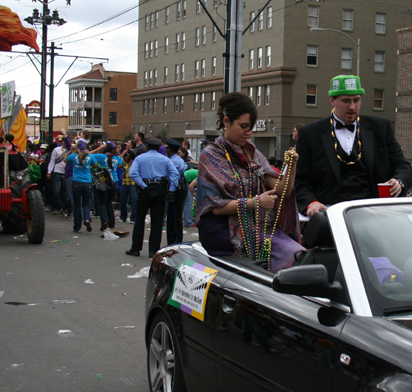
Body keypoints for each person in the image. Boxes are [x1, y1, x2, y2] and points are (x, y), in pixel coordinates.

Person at [196, 92, 303, 271]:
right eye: (243, 126)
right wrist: (255, 202)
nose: (249, 132)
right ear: (226, 122)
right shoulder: (211, 155)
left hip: (257, 227)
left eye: (251, 127)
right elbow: (214, 207)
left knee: (299, 255)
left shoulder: (253, 154)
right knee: (289, 256)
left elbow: (282, 191)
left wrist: (291, 165)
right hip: (223, 231)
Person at [295, 75, 412, 216]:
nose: (352, 107)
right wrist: (311, 203)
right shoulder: (309, 134)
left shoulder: (381, 127)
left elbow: (403, 166)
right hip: (329, 215)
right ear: (332, 100)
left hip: (376, 213)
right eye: (346, 101)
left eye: (356, 101)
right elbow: (300, 181)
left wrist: (399, 181)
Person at [126, 137, 180, 258]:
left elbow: (133, 173)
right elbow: (175, 174)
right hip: (160, 188)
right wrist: (171, 190)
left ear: (147, 147)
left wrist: (144, 186)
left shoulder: (140, 158)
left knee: (140, 218)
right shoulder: (165, 159)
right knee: (157, 220)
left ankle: (135, 248)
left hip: (145, 190)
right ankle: (153, 250)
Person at [65, 140, 98, 233]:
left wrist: (71, 151)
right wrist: (89, 167)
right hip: (87, 182)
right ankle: (87, 218)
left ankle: (77, 226)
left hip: (76, 182)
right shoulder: (90, 156)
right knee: (86, 203)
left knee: (77, 204)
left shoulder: (74, 156)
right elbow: (95, 165)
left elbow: (65, 160)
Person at [91, 142, 122, 231]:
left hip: (104, 180)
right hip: (114, 181)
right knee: (109, 203)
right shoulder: (117, 158)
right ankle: (111, 222)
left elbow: (88, 155)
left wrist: (99, 148)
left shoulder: (101, 156)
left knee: (102, 203)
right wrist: (117, 151)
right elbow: (121, 162)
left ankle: (104, 221)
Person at [165, 137, 187, 245]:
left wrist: (171, 191)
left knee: (174, 218)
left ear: (169, 149)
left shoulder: (173, 161)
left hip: (176, 189)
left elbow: (174, 177)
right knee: (174, 216)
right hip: (180, 188)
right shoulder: (179, 159)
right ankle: (174, 241)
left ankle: (175, 242)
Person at [46, 135, 68, 216]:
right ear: (62, 142)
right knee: (56, 190)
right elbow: (52, 161)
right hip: (57, 172)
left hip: (66, 172)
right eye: (64, 142)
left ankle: (64, 207)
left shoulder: (71, 150)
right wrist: (49, 171)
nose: (65, 143)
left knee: (65, 192)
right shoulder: (57, 150)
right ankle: (56, 207)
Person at [119, 150, 137, 223]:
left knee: (133, 201)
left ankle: (133, 218)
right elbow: (119, 162)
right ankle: (123, 217)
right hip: (125, 183)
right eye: (125, 156)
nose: (125, 157)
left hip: (132, 183)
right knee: (123, 201)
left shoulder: (134, 163)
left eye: (127, 155)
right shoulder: (124, 163)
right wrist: (122, 153)